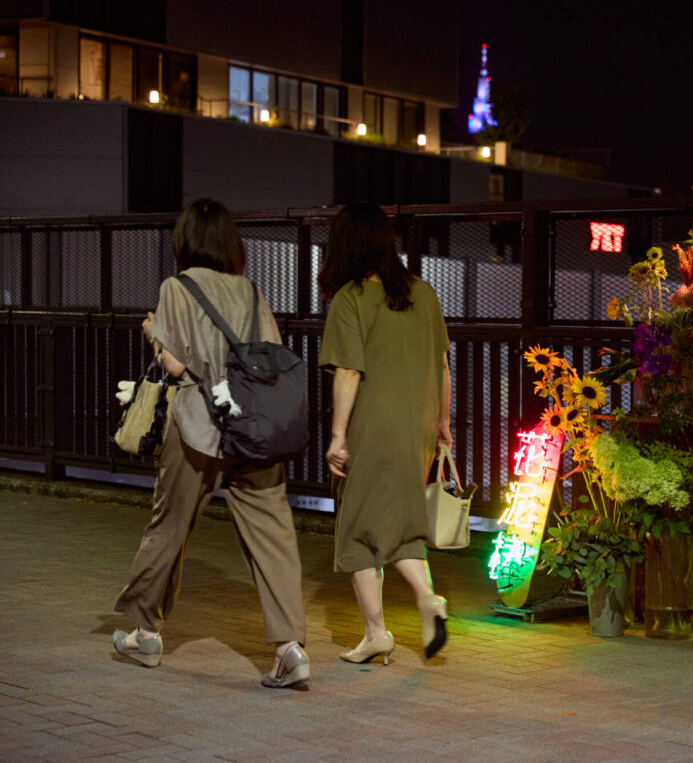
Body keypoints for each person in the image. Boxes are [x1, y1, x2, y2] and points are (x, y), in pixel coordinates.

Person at [112, 198, 310, 689]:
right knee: (273, 536)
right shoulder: (250, 291)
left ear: (185, 241)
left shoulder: (176, 289)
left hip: (198, 426)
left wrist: (152, 334)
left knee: (169, 525)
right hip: (253, 426)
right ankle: (290, 648)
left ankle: (145, 632)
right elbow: (268, 355)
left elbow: (178, 367)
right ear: (229, 243)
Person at [318, 201, 452, 664]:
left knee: (358, 525)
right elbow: (442, 364)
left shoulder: (350, 298)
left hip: (375, 423)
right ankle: (397, 620)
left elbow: (349, 371)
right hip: (418, 421)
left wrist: (338, 436)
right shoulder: (423, 292)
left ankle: (402, 615)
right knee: (399, 519)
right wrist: (442, 422)